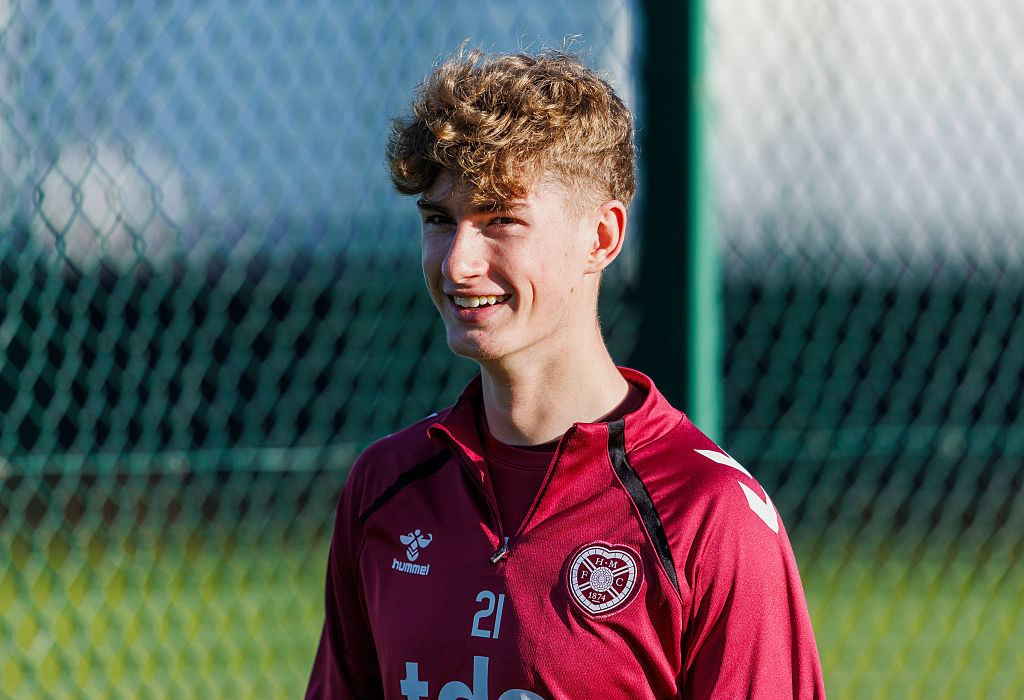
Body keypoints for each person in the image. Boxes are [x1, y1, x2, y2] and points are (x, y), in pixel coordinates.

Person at [306, 45, 825, 699]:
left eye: (501, 221)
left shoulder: (709, 519)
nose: (458, 263)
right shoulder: (384, 489)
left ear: (602, 238)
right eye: (440, 220)